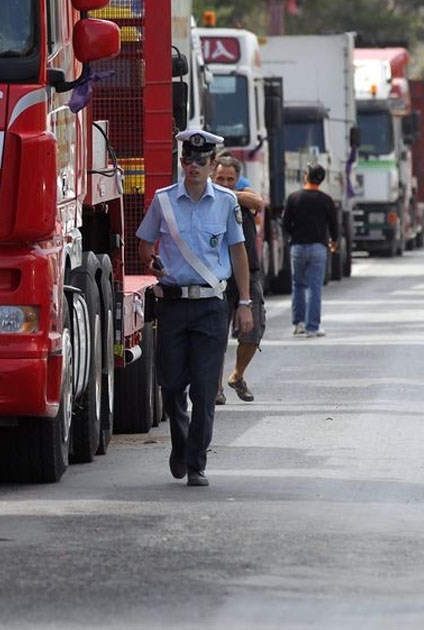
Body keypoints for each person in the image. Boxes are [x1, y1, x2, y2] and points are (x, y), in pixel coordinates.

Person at [136, 128, 253, 487]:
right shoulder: (163, 200)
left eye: (202, 161)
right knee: (171, 386)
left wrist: (245, 302)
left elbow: (237, 252)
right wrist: (150, 262)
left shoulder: (227, 202)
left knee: (204, 390)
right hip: (172, 305)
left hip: (210, 306)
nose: (194, 167)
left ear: (212, 162)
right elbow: (143, 243)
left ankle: (196, 462)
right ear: (182, 161)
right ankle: (181, 441)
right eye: (188, 160)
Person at [212, 155, 265, 404]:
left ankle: (237, 375)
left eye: (229, 179)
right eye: (220, 179)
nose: (224, 183)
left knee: (252, 331)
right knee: (215, 336)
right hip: (217, 275)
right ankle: (215, 388)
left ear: (238, 180)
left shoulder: (241, 197)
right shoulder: (206, 201)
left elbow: (259, 201)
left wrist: (230, 194)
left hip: (248, 273)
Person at [281, 164, 339, 338]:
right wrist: (334, 241)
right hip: (318, 248)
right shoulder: (326, 200)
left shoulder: (294, 198)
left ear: (306, 176)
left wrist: (293, 237)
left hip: (298, 247)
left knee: (298, 285)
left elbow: (285, 224)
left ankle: (298, 324)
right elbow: (334, 225)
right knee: (315, 288)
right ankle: (313, 327)